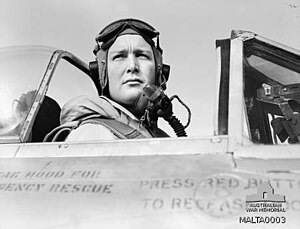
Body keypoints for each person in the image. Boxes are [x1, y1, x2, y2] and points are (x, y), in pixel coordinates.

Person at [45, 18, 173, 142]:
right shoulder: (93, 134)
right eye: (119, 57)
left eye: (142, 56)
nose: (132, 66)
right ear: (101, 74)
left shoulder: (158, 138)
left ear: (159, 71)